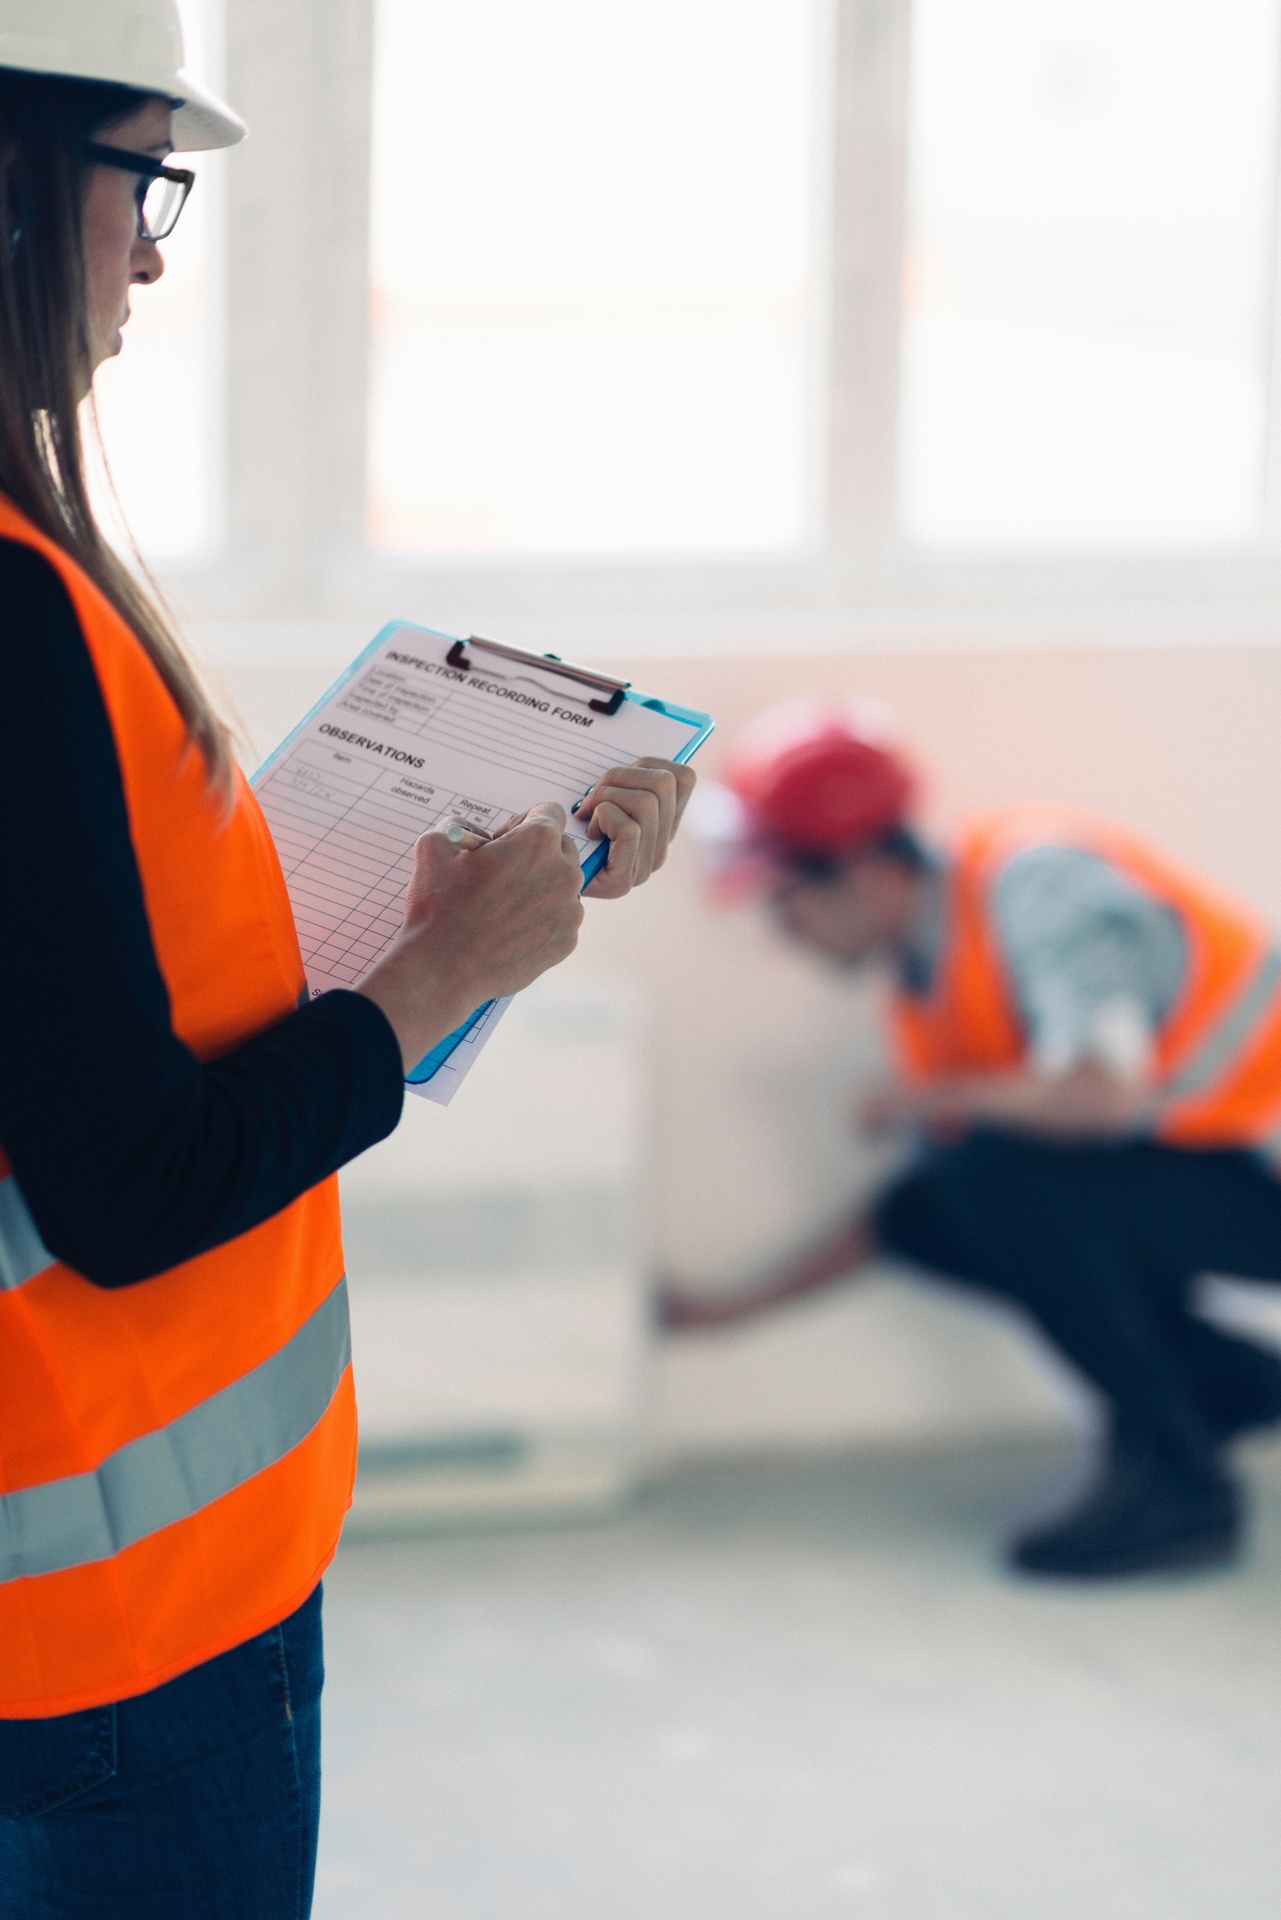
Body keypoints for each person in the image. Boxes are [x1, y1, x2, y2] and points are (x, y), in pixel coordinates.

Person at [0, 5, 695, 1912]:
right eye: (143, 182)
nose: (151, 257)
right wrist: (437, 978)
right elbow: (129, 1185)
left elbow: (71, 1005)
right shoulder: (17, 608)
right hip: (110, 1624)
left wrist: (463, 914)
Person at [660, 698, 1281, 1581]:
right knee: (938, 1207)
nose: (780, 931)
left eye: (784, 899)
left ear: (863, 872)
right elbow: (912, 1207)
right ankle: (1224, 1387)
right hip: (1215, 1171)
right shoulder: (928, 976)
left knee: (995, 1167)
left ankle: (1180, 1484)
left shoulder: (1037, 888)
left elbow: (1098, 1097)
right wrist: (728, 1312)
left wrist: (930, 1098)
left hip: (1256, 1164)